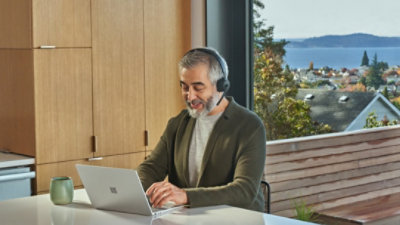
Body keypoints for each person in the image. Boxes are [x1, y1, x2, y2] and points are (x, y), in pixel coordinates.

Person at [137, 47, 266, 212]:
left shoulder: (249, 126)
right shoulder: (178, 123)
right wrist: (138, 190)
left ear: (221, 86)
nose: (190, 97)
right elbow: (150, 168)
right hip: (190, 219)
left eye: (198, 88)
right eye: (184, 87)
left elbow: (244, 191)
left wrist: (186, 196)